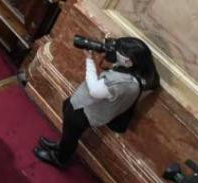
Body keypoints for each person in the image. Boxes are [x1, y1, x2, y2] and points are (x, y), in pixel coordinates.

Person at [34, 37, 158, 169]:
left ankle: (61, 158)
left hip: (86, 112)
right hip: (85, 105)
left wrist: (89, 59)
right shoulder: (132, 73)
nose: (114, 51)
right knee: (68, 124)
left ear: (129, 61)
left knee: (71, 135)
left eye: (118, 51)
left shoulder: (124, 83)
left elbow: (94, 90)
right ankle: (61, 145)